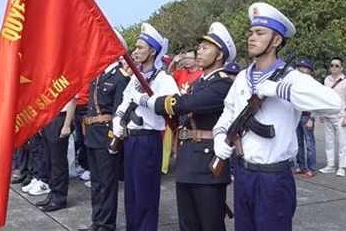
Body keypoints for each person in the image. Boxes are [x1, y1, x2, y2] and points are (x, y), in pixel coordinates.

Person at [213, 2, 341, 231]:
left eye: (260, 33)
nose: (252, 37)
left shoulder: (291, 78)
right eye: (251, 32)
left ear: (277, 40)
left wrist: (278, 89)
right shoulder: (242, 77)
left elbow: (334, 104)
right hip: (243, 174)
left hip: (273, 178)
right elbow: (228, 112)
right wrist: (220, 136)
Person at [142, 22, 236, 231]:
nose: (199, 52)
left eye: (205, 48)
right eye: (199, 47)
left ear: (219, 55)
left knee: (210, 225)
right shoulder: (197, 83)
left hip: (207, 162)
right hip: (187, 161)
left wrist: (153, 102)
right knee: (188, 225)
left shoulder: (222, 84)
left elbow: (187, 104)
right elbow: (182, 115)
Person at [112, 23, 179, 231]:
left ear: (153, 51)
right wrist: (118, 120)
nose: (136, 51)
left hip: (148, 139)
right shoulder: (135, 78)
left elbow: (172, 104)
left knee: (145, 196)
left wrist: (144, 100)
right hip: (131, 139)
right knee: (131, 195)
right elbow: (124, 102)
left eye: (141, 47)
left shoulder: (162, 78)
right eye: (136, 47)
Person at [80, 31, 130, 231]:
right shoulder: (98, 75)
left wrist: (114, 139)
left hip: (106, 136)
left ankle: (107, 225)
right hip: (92, 134)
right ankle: (97, 221)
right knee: (97, 182)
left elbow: (119, 112)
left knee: (108, 184)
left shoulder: (120, 77)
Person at [319, 57, 346, 177]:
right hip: (328, 114)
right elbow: (324, 98)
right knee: (329, 142)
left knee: (342, 142)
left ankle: (342, 167)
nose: (334, 67)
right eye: (332, 65)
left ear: (342, 68)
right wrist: (322, 113)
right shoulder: (326, 80)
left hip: (340, 116)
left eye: (336, 66)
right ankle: (330, 165)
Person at [294, 58, 317, 179]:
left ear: (310, 70)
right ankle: (301, 165)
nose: (302, 70)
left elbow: (316, 102)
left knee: (309, 143)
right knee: (298, 142)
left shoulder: (312, 84)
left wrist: (312, 118)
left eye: (304, 68)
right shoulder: (296, 82)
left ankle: (311, 167)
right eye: (299, 68)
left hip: (307, 115)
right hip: (297, 114)